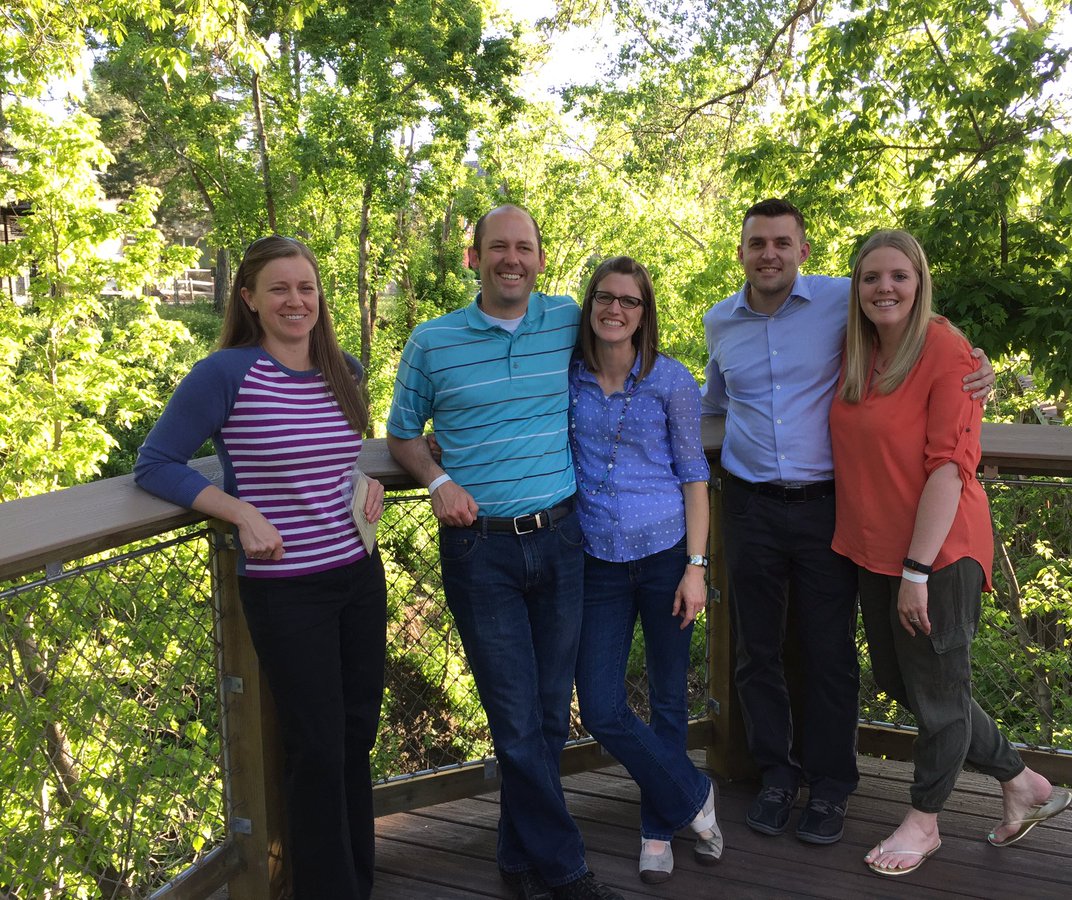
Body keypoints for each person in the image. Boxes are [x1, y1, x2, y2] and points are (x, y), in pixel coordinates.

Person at [701, 199, 995, 844]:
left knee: (830, 652)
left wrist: (980, 368)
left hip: (827, 510)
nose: (769, 253)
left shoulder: (845, 299)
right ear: (742, 251)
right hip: (749, 505)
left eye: (783, 242)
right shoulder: (718, 321)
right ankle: (776, 774)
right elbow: (715, 406)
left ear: (804, 251)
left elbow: (919, 318)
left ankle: (831, 785)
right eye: (757, 243)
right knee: (757, 649)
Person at [135, 236, 387, 899]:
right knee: (318, 747)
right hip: (287, 590)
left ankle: (360, 880)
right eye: (279, 289)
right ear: (249, 298)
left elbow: (338, 457)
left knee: (357, 734)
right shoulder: (225, 374)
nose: (296, 301)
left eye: (306, 287)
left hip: (360, 573)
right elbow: (155, 463)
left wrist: (364, 487)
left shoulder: (345, 368)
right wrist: (241, 514)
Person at [387, 205, 622, 900]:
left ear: (541, 260)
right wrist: (437, 479)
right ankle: (566, 867)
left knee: (551, 712)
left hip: (562, 539)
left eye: (524, 247)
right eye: (497, 247)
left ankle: (516, 853)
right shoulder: (433, 342)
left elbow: (628, 339)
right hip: (479, 551)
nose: (510, 258)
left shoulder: (566, 322)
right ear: (474, 258)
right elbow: (402, 435)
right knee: (515, 716)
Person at [829, 229, 1072, 876]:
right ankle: (1022, 782)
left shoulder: (946, 350)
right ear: (855, 287)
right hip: (873, 550)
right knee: (900, 681)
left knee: (939, 691)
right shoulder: (861, 348)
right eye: (871, 277)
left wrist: (917, 572)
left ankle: (926, 820)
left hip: (938, 554)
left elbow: (948, 469)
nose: (884, 287)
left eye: (898, 276)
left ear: (920, 281)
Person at [569, 256, 722, 884]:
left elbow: (694, 478)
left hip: (664, 558)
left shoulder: (671, 382)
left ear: (644, 313)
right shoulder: (567, 377)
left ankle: (657, 829)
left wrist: (696, 568)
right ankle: (694, 795)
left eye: (629, 301)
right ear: (591, 306)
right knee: (601, 707)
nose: (615, 309)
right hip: (596, 563)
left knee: (667, 698)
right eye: (605, 297)